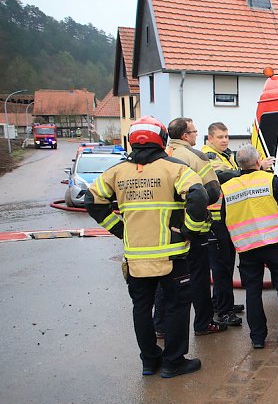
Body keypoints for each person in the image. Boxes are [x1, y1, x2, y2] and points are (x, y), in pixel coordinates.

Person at [85, 116, 211, 378]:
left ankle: (149, 361)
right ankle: (173, 362)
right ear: (162, 139)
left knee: (141, 309)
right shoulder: (175, 168)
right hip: (172, 255)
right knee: (177, 307)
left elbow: (92, 199)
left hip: (135, 258)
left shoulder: (117, 171)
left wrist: (119, 229)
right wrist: (191, 229)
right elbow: (199, 194)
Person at [221, 145, 278, 351]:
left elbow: (225, 218)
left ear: (237, 164)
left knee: (252, 291)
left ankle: (257, 338)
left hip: (246, 247)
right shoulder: (271, 180)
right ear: (258, 161)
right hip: (274, 243)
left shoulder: (229, 187)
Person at [152, 117, 227, 336]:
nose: (196, 135)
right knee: (199, 277)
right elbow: (211, 192)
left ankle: (160, 325)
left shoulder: (162, 156)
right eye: (194, 132)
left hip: (166, 228)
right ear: (185, 136)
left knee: (165, 278)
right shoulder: (195, 157)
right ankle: (203, 324)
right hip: (193, 229)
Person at [201, 122, 244, 326]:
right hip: (216, 222)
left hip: (227, 220)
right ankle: (224, 311)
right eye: (220, 137)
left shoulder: (226, 155)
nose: (225, 140)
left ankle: (222, 302)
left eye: (226, 136)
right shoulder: (208, 156)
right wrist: (248, 171)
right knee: (220, 268)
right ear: (210, 138)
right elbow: (223, 176)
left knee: (226, 267)